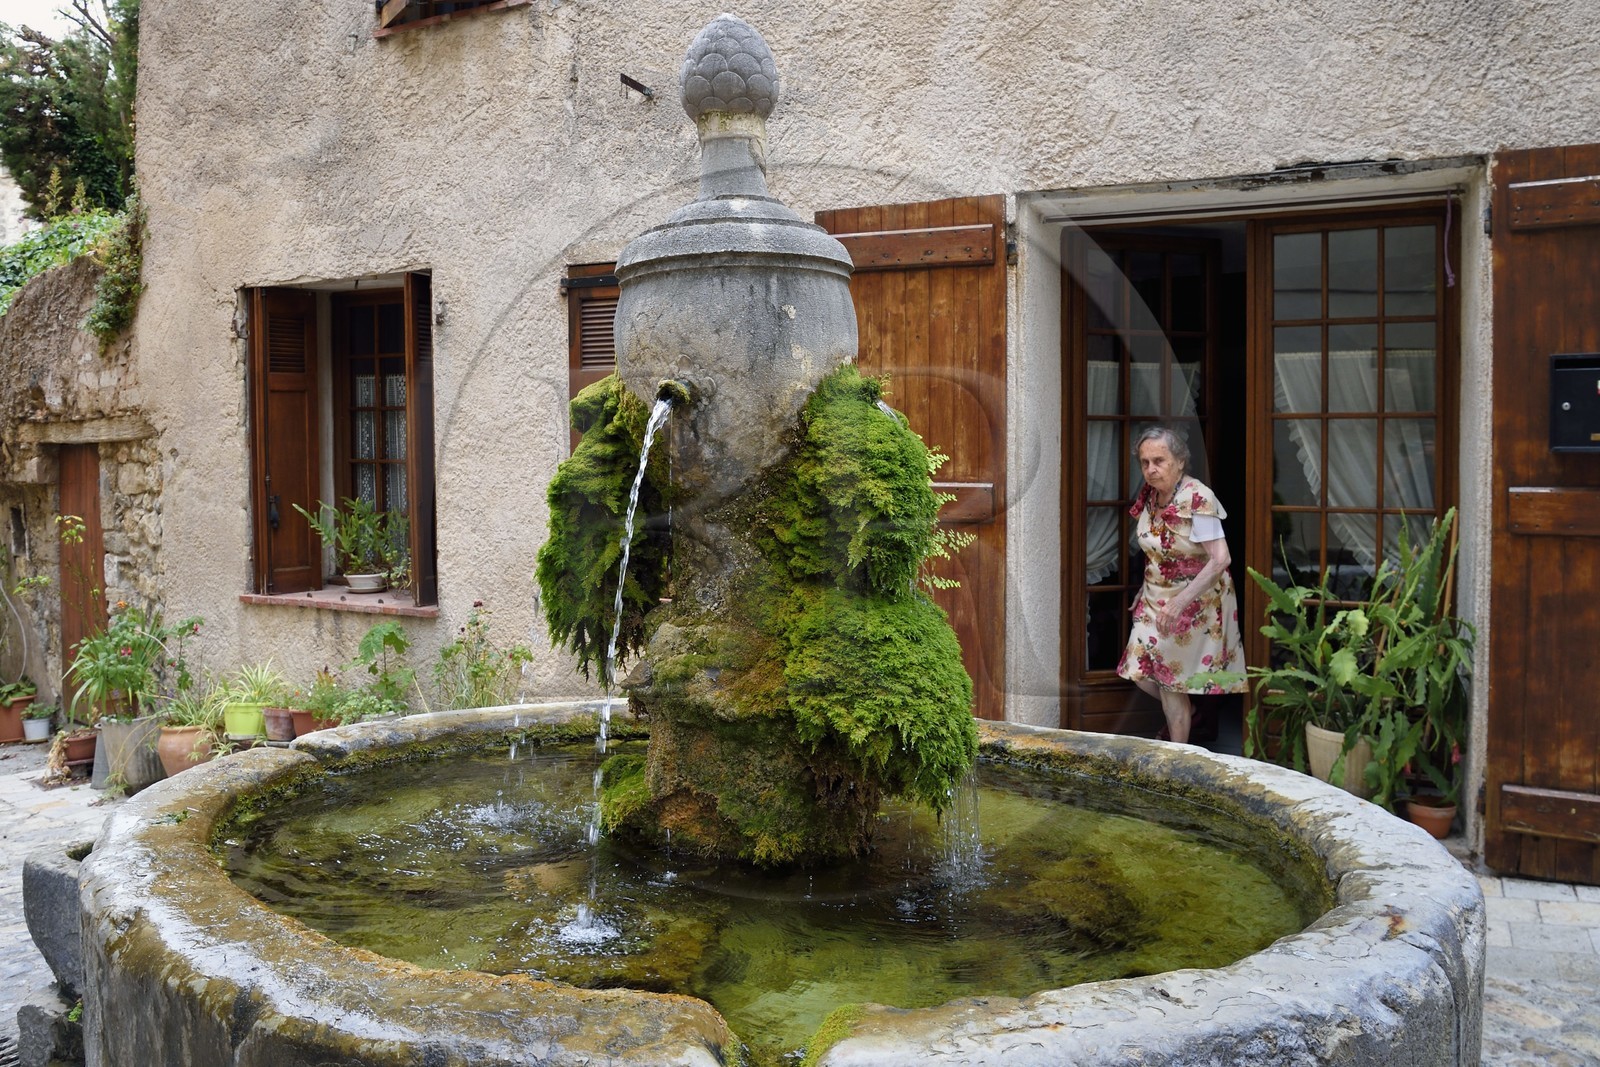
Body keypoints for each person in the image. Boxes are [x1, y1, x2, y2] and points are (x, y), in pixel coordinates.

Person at [1116, 426, 1247, 743]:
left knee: (1170, 680)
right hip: (1156, 597)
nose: (1151, 469)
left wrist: (1178, 602)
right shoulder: (1151, 496)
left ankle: (1177, 760)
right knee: (1138, 669)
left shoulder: (1197, 498)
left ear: (1180, 461)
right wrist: (1144, 588)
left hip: (1195, 601)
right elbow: (1159, 548)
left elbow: (1220, 558)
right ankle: (1186, 714)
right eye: (1145, 462)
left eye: (1159, 460)